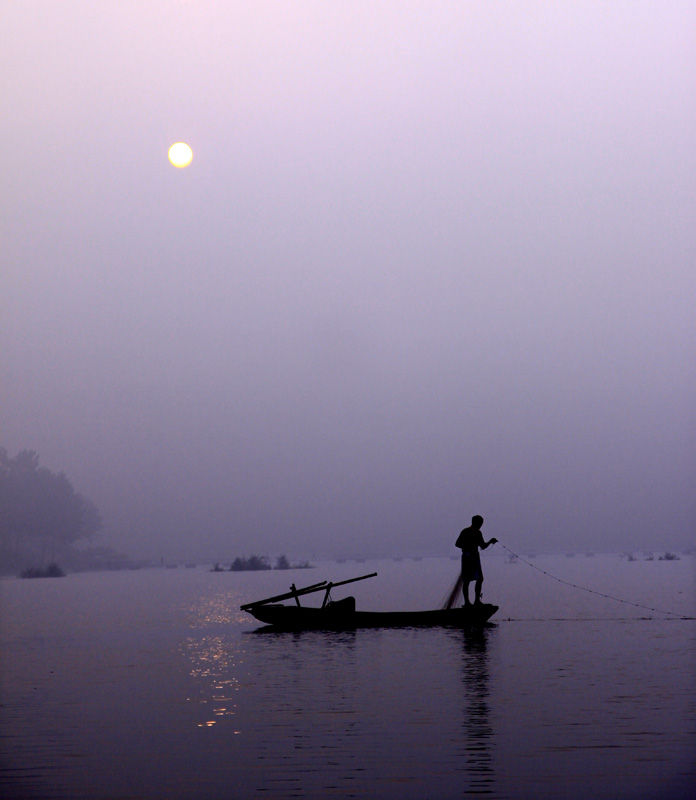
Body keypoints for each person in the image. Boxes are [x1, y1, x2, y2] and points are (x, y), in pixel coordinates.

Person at [456, 515, 497, 606]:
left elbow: (482, 546)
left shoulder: (477, 532)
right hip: (468, 558)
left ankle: (476, 601)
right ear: (476, 522)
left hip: (474, 558)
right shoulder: (467, 531)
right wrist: (468, 546)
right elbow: (457, 544)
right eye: (480, 523)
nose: (481, 525)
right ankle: (467, 602)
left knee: (479, 579)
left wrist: (490, 541)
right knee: (467, 580)